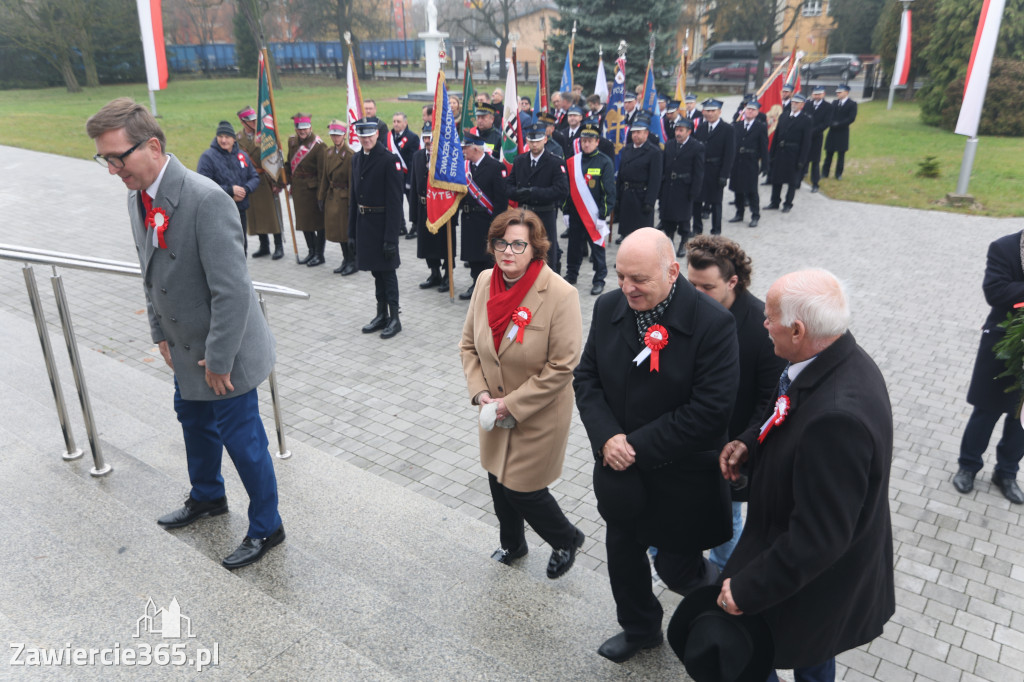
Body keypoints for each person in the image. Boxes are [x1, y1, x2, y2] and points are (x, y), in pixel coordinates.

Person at [87, 98, 284, 569]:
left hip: (225, 350)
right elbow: (149, 272)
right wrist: (159, 331)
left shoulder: (206, 198)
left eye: (119, 157)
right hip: (184, 344)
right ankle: (208, 496)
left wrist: (218, 359)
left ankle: (267, 526)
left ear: (152, 146)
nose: (113, 169)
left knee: (242, 439)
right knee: (193, 422)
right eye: (105, 159)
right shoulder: (139, 196)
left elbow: (234, 292)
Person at [718, 268, 895, 682]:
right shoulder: (833, 358)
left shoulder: (835, 417)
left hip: (812, 582)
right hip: (808, 570)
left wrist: (748, 590)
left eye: (770, 317)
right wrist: (751, 441)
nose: (763, 322)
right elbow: (787, 404)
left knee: (782, 656)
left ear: (798, 330)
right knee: (814, 654)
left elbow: (819, 536)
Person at [574, 228, 739, 664]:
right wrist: (607, 437)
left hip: (679, 476)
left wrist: (634, 446)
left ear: (672, 271)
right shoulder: (609, 306)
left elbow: (709, 412)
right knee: (623, 556)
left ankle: (726, 606)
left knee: (677, 568)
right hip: (620, 473)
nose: (627, 287)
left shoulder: (714, 324)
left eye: (639, 279)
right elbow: (586, 378)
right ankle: (640, 628)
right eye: (621, 275)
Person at [459, 208, 585, 579]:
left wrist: (510, 405)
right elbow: (468, 345)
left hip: (538, 412)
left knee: (522, 489)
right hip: (493, 407)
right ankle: (513, 544)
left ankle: (567, 538)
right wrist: (480, 392)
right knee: (497, 480)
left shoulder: (560, 294)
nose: (508, 252)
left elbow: (563, 365)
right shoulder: (485, 282)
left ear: (535, 249)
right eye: (502, 243)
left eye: (518, 244)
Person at [685, 235, 786, 570]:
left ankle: (724, 577)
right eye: (691, 284)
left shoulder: (762, 328)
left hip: (731, 449)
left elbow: (770, 401)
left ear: (733, 281)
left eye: (707, 288)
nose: (695, 295)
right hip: (685, 439)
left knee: (726, 522)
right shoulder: (683, 309)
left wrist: (743, 444)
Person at [953, 230, 1024, 504]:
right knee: (987, 409)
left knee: (1021, 417)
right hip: (1002, 341)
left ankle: (1006, 473)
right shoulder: (1004, 248)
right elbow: (995, 292)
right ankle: (968, 466)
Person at [349, 118, 404, 339]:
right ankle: (381, 315)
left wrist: (391, 238)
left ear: (377, 135)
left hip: (382, 227)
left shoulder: (389, 160)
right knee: (376, 273)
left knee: (388, 274)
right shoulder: (356, 159)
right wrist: (351, 233)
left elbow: (395, 203)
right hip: (365, 227)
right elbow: (354, 198)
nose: (366, 139)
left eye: (370, 135)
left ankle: (395, 318)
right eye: (362, 135)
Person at [506, 122, 569, 275]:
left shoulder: (555, 162)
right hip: (524, 214)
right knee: (525, 250)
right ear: (527, 141)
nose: (534, 144)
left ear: (545, 140)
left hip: (545, 214)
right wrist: (519, 193)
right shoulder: (520, 161)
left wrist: (533, 192)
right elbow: (508, 187)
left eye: (538, 140)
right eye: (531, 141)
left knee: (546, 252)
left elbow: (562, 190)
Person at [563, 121, 615, 296]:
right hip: (576, 214)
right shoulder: (572, 162)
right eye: (584, 140)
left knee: (597, 249)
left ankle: (599, 279)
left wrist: (603, 215)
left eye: (590, 140)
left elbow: (609, 192)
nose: (586, 143)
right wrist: (565, 211)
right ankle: (571, 274)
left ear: (597, 142)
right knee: (574, 246)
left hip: (594, 215)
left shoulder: (604, 162)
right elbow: (566, 190)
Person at [196, 120, 259, 256]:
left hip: (240, 209)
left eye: (227, 137)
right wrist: (230, 191)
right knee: (224, 247)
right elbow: (203, 184)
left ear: (234, 138)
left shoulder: (242, 155)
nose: (223, 140)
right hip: (219, 211)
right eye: (220, 137)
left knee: (241, 245)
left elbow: (254, 177)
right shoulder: (207, 157)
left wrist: (245, 189)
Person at [459, 132, 509, 299]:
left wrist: (497, 224)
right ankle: (476, 284)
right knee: (473, 256)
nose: (463, 151)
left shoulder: (495, 167)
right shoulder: (466, 167)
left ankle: (491, 287)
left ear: (475, 148)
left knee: (487, 257)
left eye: (465, 148)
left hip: (487, 220)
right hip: (469, 219)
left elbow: (501, 200)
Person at [410, 122, 456, 292]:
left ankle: (447, 275)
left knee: (444, 245)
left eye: (432, 137)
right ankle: (434, 272)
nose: (429, 141)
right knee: (427, 244)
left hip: (443, 209)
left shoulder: (446, 159)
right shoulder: (418, 156)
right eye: (426, 137)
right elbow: (414, 185)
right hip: (424, 208)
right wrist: (413, 215)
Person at [236, 106, 284, 259]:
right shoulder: (238, 138)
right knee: (256, 214)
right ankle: (264, 245)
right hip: (249, 181)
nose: (254, 122)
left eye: (255, 119)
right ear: (243, 122)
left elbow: (275, 159)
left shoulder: (265, 136)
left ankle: (279, 246)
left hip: (266, 179)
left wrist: (278, 182)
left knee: (272, 214)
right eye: (250, 120)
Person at [658, 117, 704, 257]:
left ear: (688, 132)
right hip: (669, 187)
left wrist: (694, 191)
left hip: (685, 188)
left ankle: (684, 243)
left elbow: (698, 171)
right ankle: (669, 242)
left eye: (681, 130)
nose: (678, 133)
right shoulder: (670, 144)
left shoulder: (697, 146)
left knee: (684, 220)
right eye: (677, 130)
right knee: (668, 218)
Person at [614, 116, 662, 245]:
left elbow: (655, 179)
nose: (635, 135)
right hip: (627, 194)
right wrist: (617, 196)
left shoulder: (654, 152)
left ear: (646, 133)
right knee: (627, 232)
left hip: (642, 195)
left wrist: (650, 201)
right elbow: (621, 174)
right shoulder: (626, 149)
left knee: (642, 234)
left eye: (639, 132)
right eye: (633, 132)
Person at [286, 113, 325, 266]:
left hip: (313, 190)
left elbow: (322, 172)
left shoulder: (319, 146)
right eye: (298, 128)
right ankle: (311, 250)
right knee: (303, 222)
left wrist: (321, 194)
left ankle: (319, 254)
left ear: (310, 127)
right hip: (298, 189)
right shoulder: (292, 142)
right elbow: (290, 163)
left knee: (318, 223)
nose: (301, 131)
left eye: (304, 128)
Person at [692, 99, 735, 237]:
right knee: (697, 200)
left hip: (716, 170)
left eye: (712, 111)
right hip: (701, 169)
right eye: (707, 111)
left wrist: (724, 174)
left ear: (719, 112)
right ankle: (697, 228)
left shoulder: (728, 129)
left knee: (716, 201)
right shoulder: (701, 127)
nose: (709, 114)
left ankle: (716, 230)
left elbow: (729, 154)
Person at [319, 119, 355, 275]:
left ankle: (352, 261)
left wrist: (352, 203)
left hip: (345, 198)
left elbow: (352, 182)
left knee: (346, 233)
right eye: (333, 135)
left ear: (344, 136)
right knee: (339, 233)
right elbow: (324, 179)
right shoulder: (328, 153)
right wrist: (321, 197)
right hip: (333, 197)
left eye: (338, 135)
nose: (335, 138)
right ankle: (345, 259)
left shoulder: (350, 156)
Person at [766, 93, 811, 214]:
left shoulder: (806, 120)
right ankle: (775, 201)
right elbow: (776, 136)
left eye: (797, 103)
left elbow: (806, 142)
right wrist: (772, 153)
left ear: (802, 104)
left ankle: (788, 203)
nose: (794, 104)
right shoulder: (784, 116)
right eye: (792, 102)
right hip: (780, 152)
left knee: (792, 181)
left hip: (794, 153)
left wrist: (802, 160)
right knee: (777, 179)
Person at [728, 100, 769, 228]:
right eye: (748, 109)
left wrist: (765, 165)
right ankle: (739, 213)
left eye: (753, 110)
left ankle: (755, 215)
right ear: (744, 111)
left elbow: (764, 146)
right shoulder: (737, 126)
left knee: (752, 191)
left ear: (757, 113)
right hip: (737, 162)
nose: (750, 111)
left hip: (751, 162)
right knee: (737, 189)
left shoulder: (760, 127)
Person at [390, 112, 421, 239]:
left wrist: (410, 181)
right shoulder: (390, 137)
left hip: (407, 176)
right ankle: (401, 226)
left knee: (412, 203)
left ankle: (416, 226)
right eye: (394, 121)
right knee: (396, 203)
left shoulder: (412, 137)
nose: (396, 124)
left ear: (405, 123)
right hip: (394, 177)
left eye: (398, 121)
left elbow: (412, 161)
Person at [822, 84, 857, 180]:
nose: (837, 94)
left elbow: (851, 118)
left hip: (842, 132)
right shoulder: (834, 103)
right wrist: (831, 123)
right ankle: (825, 173)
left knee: (841, 155)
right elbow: (830, 115)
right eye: (837, 92)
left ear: (846, 92)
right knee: (829, 153)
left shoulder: (852, 104)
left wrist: (839, 124)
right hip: (832, 131)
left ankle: (838, 174)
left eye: (840, 92)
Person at [806, 85, 833, 193]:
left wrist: (812, 132)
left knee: (815, 161)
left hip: (817, 137)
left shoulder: (828, 106)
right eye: (815, 94)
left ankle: (815, 183)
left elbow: (826, 123)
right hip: (805, 135)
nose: (816, 96)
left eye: (819, 94)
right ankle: (797, 180)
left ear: (823, 94)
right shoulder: (807, 104)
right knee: (803, 158)